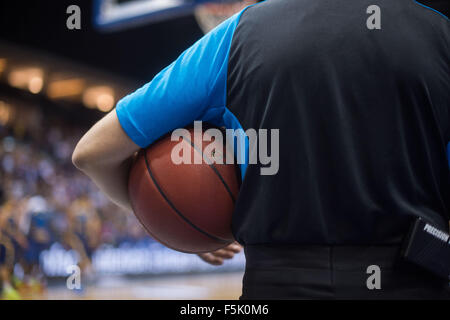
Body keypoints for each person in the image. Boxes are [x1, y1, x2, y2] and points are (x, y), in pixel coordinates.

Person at [73, 0, 450, 299]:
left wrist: (181, 222)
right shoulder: (438, 36)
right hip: (414, 278)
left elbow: (92, 153)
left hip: (277, 283)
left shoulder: (238, 36)